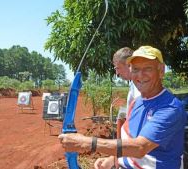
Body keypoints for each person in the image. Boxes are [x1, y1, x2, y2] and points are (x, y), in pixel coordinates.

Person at [58, 46, 187, 169]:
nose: (140, 75)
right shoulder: (135, 103)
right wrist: (114, 160)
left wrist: (86, 142)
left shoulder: (170, 108)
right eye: (135, 69)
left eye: (147, 68)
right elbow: (128, 140)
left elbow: (140, 147)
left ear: (161, 70)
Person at [113, 47, 140, 139]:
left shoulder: (138, 85)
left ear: (129, 65)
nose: (117, 73)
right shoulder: (134, 84)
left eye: (118, 68)